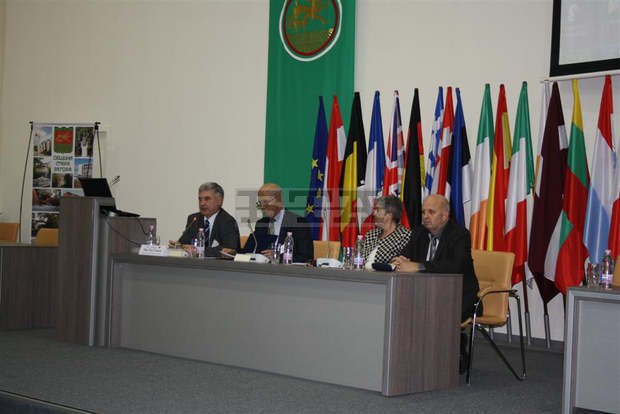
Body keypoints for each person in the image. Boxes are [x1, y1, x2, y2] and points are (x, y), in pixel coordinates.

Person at [391, 194, 481, 373]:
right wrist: (400, 260)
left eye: (431, 212)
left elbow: (455, 265)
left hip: (458, 295)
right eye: (424, 212)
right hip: (425, 293)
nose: (425, 216)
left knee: (433, 310)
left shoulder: (459, 234)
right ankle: (408, 357)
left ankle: (453, 349)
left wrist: (419, 266)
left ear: (444, 215)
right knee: (400, 305)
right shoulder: (419, 233)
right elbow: (405, 256)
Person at [242, 183, 314, 263]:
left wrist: (278, 256)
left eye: (265, 202)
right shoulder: (261, 223)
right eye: (260, 203)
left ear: (279, 200)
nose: (262, 207)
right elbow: (253, 250)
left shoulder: (299, 223)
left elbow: (306, 257)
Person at [168, 182, 240, 256]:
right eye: (200, 199)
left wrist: (197, 251)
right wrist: (179, 246)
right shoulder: (194, 219)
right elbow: (184, 243)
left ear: (219, 201)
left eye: (207, 199)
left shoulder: (228, 221)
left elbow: (230, 249)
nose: (202, 203)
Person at [361, 195, 411, 270]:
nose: (374, 213)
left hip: (386, 277)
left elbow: (402, 264)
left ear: (389, 215)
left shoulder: (404, 235)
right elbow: (358, 258)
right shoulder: (370, 235)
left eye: (377, 210)